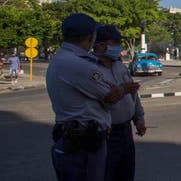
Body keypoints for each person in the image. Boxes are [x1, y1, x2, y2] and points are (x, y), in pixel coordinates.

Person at [47, 13, 139, 181]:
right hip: (84, 142)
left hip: (76, 137)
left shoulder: (62, 58)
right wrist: (122, 89)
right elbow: (110, 97)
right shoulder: (80, 65)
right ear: (91, 37)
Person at [93, 25, 145, 181]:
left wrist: (139, 119)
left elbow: (134, 95)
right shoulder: (91, 69)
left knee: (126, 173)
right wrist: (122, 90)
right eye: (115, 42)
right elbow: (103, 99)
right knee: (107, 174)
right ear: (101, 45)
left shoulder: (119, 66)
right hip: (106, 133)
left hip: (125, 130)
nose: (119, 47)